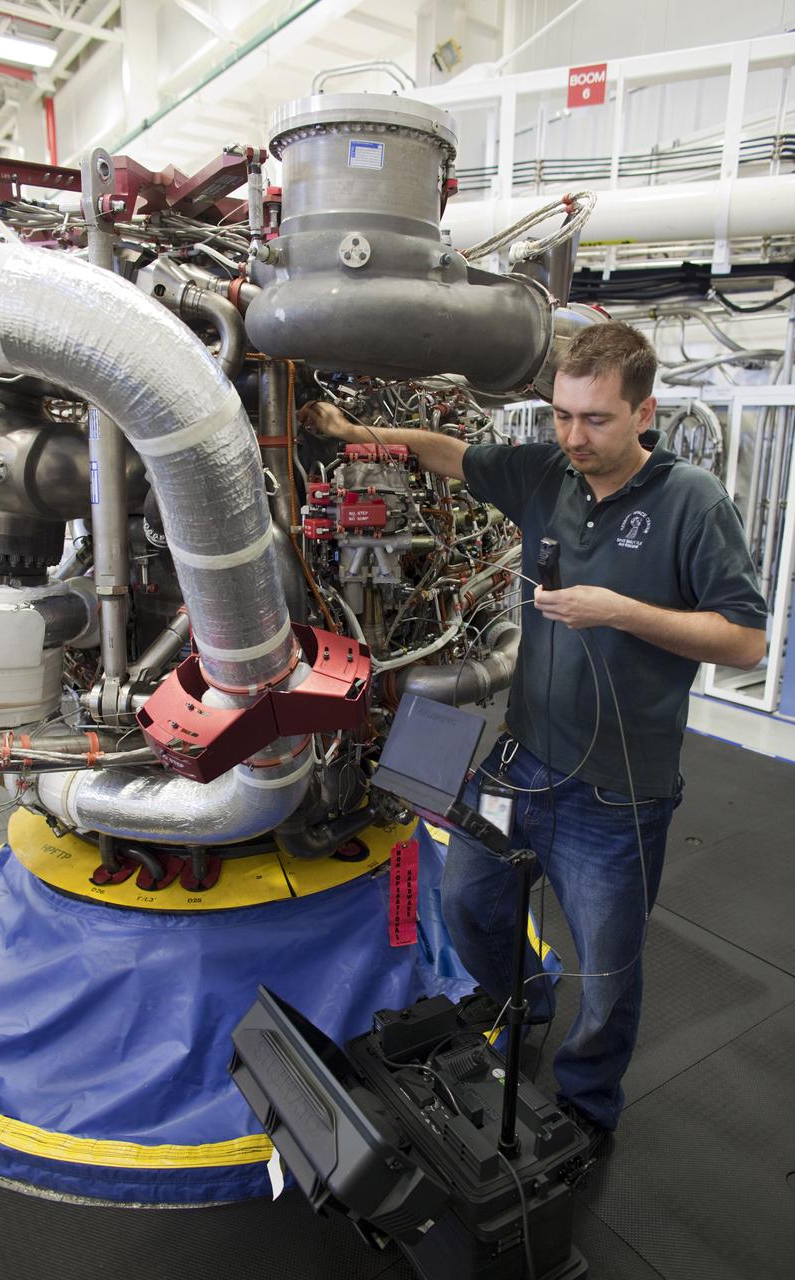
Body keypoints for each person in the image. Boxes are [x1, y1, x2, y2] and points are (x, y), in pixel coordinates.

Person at [298, 322, 767, 1150]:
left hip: (618, 788)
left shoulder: (689, 501)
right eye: (560, 416)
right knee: (468, 903)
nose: (573, 437)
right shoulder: (544, 473)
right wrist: (351, 433)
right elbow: (450, 453)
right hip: (521, 764)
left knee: (609, 966)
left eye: (594, 419)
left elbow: (744, 640)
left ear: (642, 413)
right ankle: (525, 1006)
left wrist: (617, 611)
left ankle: (587, 1102)